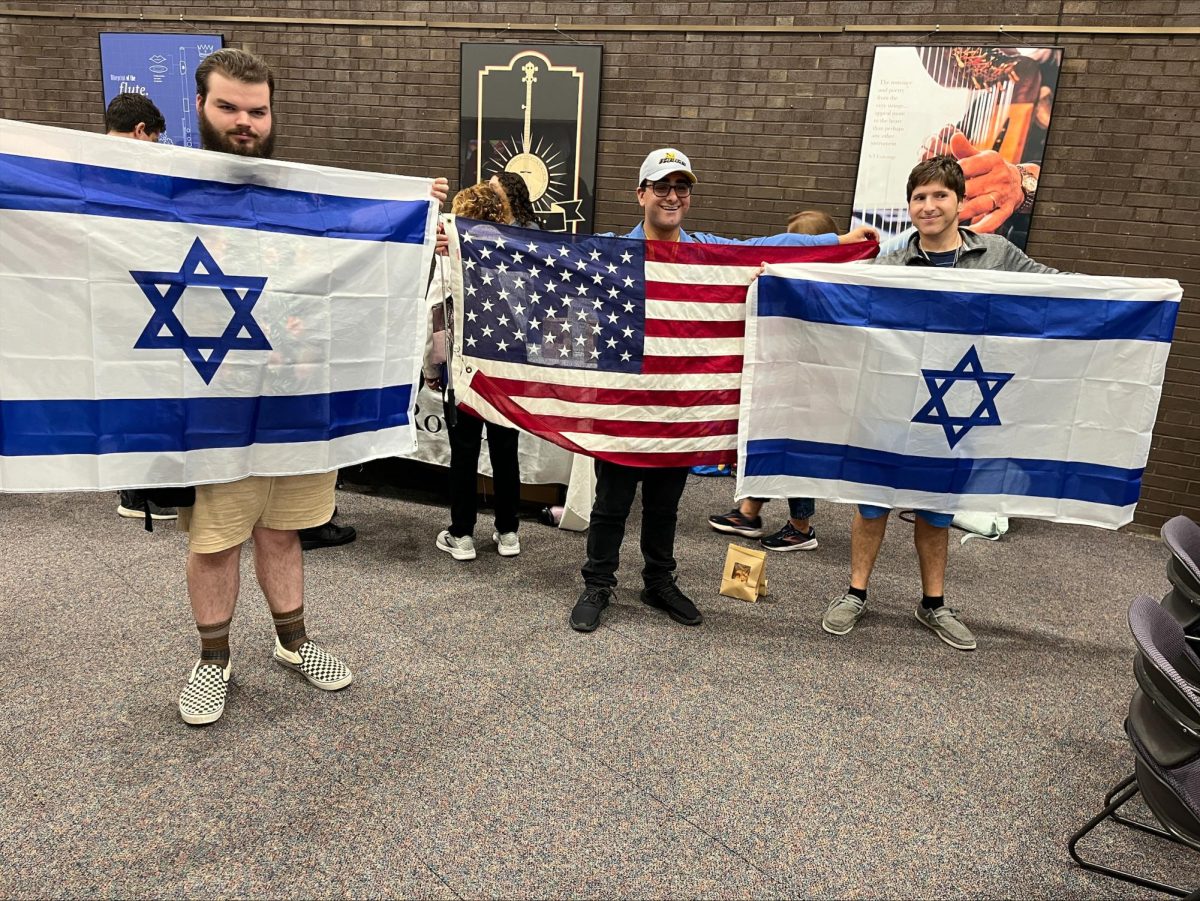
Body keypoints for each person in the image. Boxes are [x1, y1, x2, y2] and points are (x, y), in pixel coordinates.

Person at [175, 48, 448, 724]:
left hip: (298, 399)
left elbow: (354, 263)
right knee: (214, 539)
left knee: (285, 530)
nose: (245, 121)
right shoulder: (168, 191)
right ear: (202, 107)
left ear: (272, 112)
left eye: (256, 109)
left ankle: (292, 641)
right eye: (228, 107)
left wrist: (414, 223)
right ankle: (213, 659)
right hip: (217, 399)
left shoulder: (302, 196)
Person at [569, 148, 878, 633]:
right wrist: (462, 241)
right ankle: (598, 583)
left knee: (665, 505)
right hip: (625, 401)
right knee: (611, 504)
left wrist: (838, 239)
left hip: (679, 400)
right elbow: (541, 253)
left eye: (682, 188)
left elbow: (768, 245)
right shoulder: (612, 250)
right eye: (662, 187)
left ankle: (659, 580)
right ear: (641, 194)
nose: (672, 196)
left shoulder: (706, 252)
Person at [821, 155, 1060, 652]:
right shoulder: (891, 262)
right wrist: (778, 284)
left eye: (939, 196)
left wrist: (1125, 296)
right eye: (919, 198)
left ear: (958, 202)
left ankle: (933, 604)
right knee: (873, 505)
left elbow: (1056, 289)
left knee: (936, 510)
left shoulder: (996, 254)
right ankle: (855, 593)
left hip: (957, 406)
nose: (928, 206)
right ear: (910, 205)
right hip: (892, 406)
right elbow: (839, 296)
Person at [706, 209, 838, 553]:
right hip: (789, 375)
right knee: (774, 439)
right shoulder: (800, 279)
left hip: (811, 383)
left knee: (797, 450)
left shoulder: (827, 283)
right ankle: (750, 512)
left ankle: (801, 526)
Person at [425, 182, 522, 561]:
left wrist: (431, 365)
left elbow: (435, 313)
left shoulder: (450, 255)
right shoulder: (516, 255)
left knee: (463, 455)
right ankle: (509, 531)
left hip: (462, 370)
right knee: (506, 452)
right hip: (503, 369)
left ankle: (462, 534)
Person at [104, 96, 180, 523]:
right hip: (141, 298)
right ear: (140, 131)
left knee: (125, 390)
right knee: (146, 394)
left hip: (115, 301)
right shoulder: (142, 173)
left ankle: (136, 489)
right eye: (155, 136)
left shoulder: (77, 164)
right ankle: (138, 492)